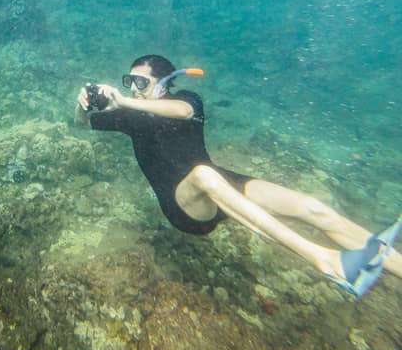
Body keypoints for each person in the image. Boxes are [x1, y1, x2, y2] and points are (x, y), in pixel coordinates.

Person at [74, 54, 401, 298]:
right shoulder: (128, 117)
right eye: (128, 81)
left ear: (163, 83)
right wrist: (83, 105)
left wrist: (123, 100)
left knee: (313, 209)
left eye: (140, 82)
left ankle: (389, 261)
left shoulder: (187, 100)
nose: (132, 88)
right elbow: (82, 123)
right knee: (203, 175)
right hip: (185, 208)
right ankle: (325, 260)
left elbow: (180, 112)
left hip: (221, 185)